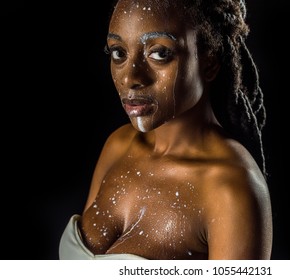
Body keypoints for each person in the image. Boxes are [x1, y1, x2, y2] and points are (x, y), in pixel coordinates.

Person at [59, 0, 272, 260]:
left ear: (210, 62)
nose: (130, 78)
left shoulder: (230, 189)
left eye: (159, 53)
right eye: (118, 53)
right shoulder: (118, 145)